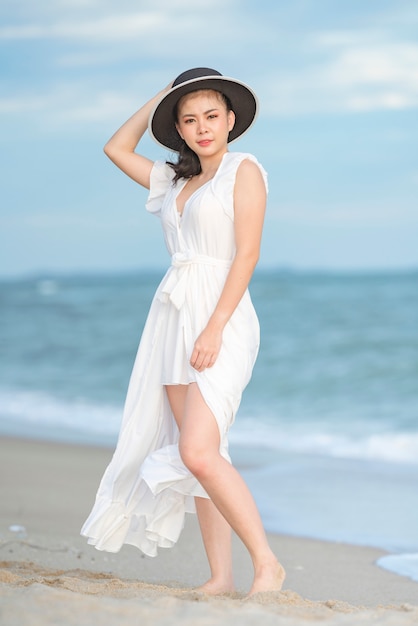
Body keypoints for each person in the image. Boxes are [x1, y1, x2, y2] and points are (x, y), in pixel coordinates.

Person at [81, 67, 286, 597]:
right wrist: (164, 96)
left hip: (220, 315)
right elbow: (114, 146)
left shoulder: (244, 169)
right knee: (202, 457)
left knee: (198, 450)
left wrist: (215, 327)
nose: (202, 127)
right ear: (178, 126)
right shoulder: (174, 180)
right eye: (188, 118)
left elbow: (248, 253)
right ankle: (220, 576)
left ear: (231, 119)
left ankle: (268, 563)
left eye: (211, 116)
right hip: (173, 316)